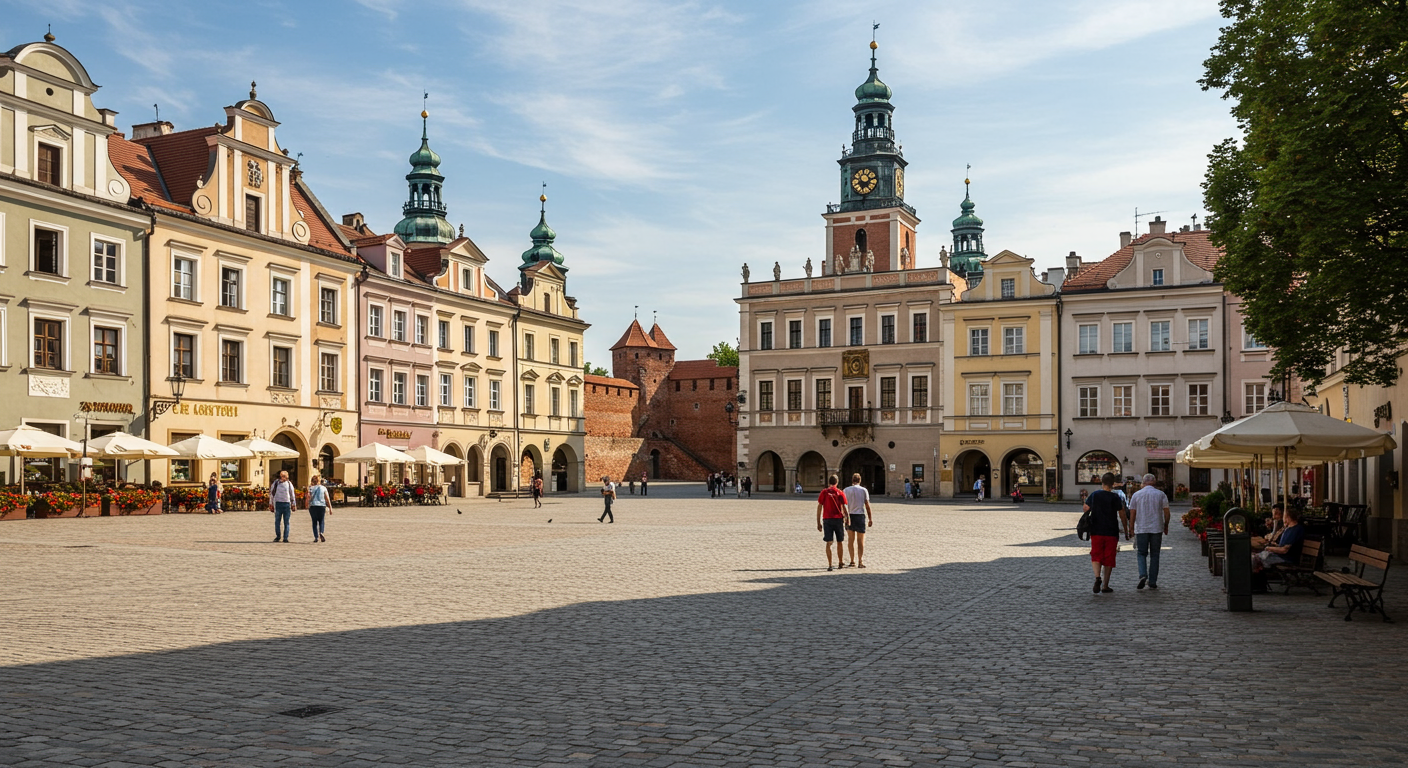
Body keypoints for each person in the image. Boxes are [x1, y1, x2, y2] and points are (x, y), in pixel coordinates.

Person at [1084, 472, 1129, 593]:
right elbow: (1122, 514)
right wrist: (1126, 530)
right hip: (1111, 531)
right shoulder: (1115, 497)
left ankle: (1097, 577)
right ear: (1113, 484)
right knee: (1109, 557)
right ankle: (1105, 585)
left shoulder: (1095, 495)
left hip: (1096, 529)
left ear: (1102, 482)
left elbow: (1086, 508)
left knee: (1096, 555)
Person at [1128, 473, 1170, 590]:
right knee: (1155, 555)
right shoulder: (1161, 494)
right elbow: (1166, 512)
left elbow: (1132, 513)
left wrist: (1131, 528)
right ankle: (1152, 581)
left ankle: (1142, 574)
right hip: (1157, 528)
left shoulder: (1136, 495)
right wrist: (1166, 525)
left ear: (1143, 482)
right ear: (1154, 482)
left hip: (1141, 528)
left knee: (1141, 553)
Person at [1253, 507, 1305, 572]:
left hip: (1286, 559)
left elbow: (1284, 550)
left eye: (1283, 516)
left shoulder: (1295, 530)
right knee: (1255, 557)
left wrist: (1269, 548)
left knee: (1255, 559)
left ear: (1287, 517)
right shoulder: (1289, 528)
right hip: (1281, 556)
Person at [815, 474, 849, 571]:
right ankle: (840, 562)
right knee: (840, 542)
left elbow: (819, 507)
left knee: (828, 542)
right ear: (837, 482)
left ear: (829, 482)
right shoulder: (840, 493)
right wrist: (847, 519)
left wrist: (818, 522)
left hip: (827, 519)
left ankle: (830, 564)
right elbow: (844, 507)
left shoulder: (824, 492)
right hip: (838, 519)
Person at [843, 473, 874, 568]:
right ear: (860, 480)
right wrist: (870, 518)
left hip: (850, 516)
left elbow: (843, 505)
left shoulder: (846, 490)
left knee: (850, 540)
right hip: (860, 516)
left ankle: (852, 561)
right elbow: (867, 505)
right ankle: (860, 561)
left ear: (852, 480)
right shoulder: (864, 490)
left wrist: (845, 517)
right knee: (860, 540)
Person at [270, 470, 297, 543]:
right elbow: (272, 494)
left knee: (286, 521)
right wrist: (271, 503)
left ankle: (285, 537)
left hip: (286, 504)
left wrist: (293, 504)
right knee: (277, 521)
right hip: (278, 503)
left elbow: (292, 494)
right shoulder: (276, 483)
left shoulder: (289, 484)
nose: (284, 478)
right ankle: (278, 536)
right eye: (282, 476)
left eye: (285, 476)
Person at [307, 474, 329, 543]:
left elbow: (308, 497)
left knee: (314, 522)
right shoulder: (323, 488)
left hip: (313, 506)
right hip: (322, 506)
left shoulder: (310, 488)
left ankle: (316, 537)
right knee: (321, 520)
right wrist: (330, 508)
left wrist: (307, 504)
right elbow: (327, 498)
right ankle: (321, 532)